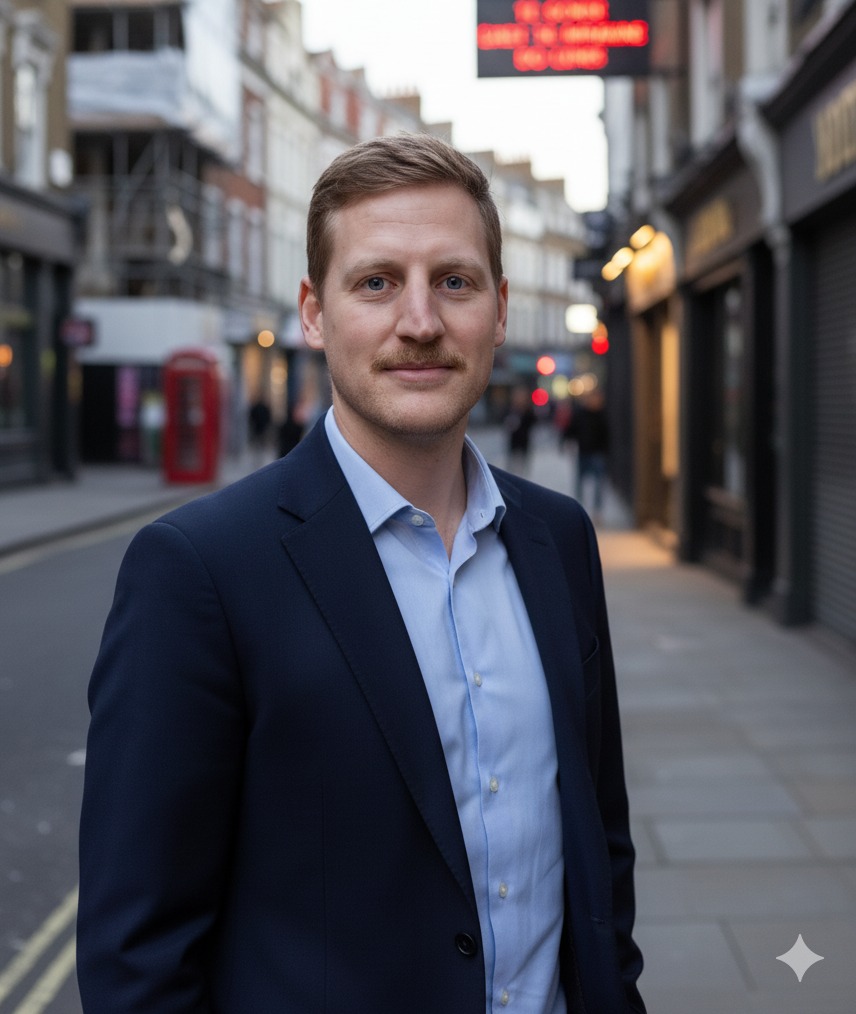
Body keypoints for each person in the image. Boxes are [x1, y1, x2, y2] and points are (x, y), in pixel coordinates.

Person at [77, 135, 645, 1014]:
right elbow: (138, 953)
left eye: (454, 282)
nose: (420, 321)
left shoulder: (559, 538)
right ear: (314, 313)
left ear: (499, 310)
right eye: (376, 283)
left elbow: (599, 850)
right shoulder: (199, 570)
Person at [563, 388, 610, 521]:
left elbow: (607, 436)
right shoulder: (581, 414)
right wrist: (568, 442)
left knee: (598, 484)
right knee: (579, 482)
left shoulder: (602, 416)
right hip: (583, 452)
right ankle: (579, 509)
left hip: (597, 454)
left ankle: (597, 510)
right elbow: (571, 429)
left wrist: (605, 452)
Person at [504, 385, 536, 476]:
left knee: (523, 465)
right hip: (514, 441)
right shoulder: (511, 409)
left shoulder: (528, 411)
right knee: (512, 464)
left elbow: (532, 423)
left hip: (524, 441)